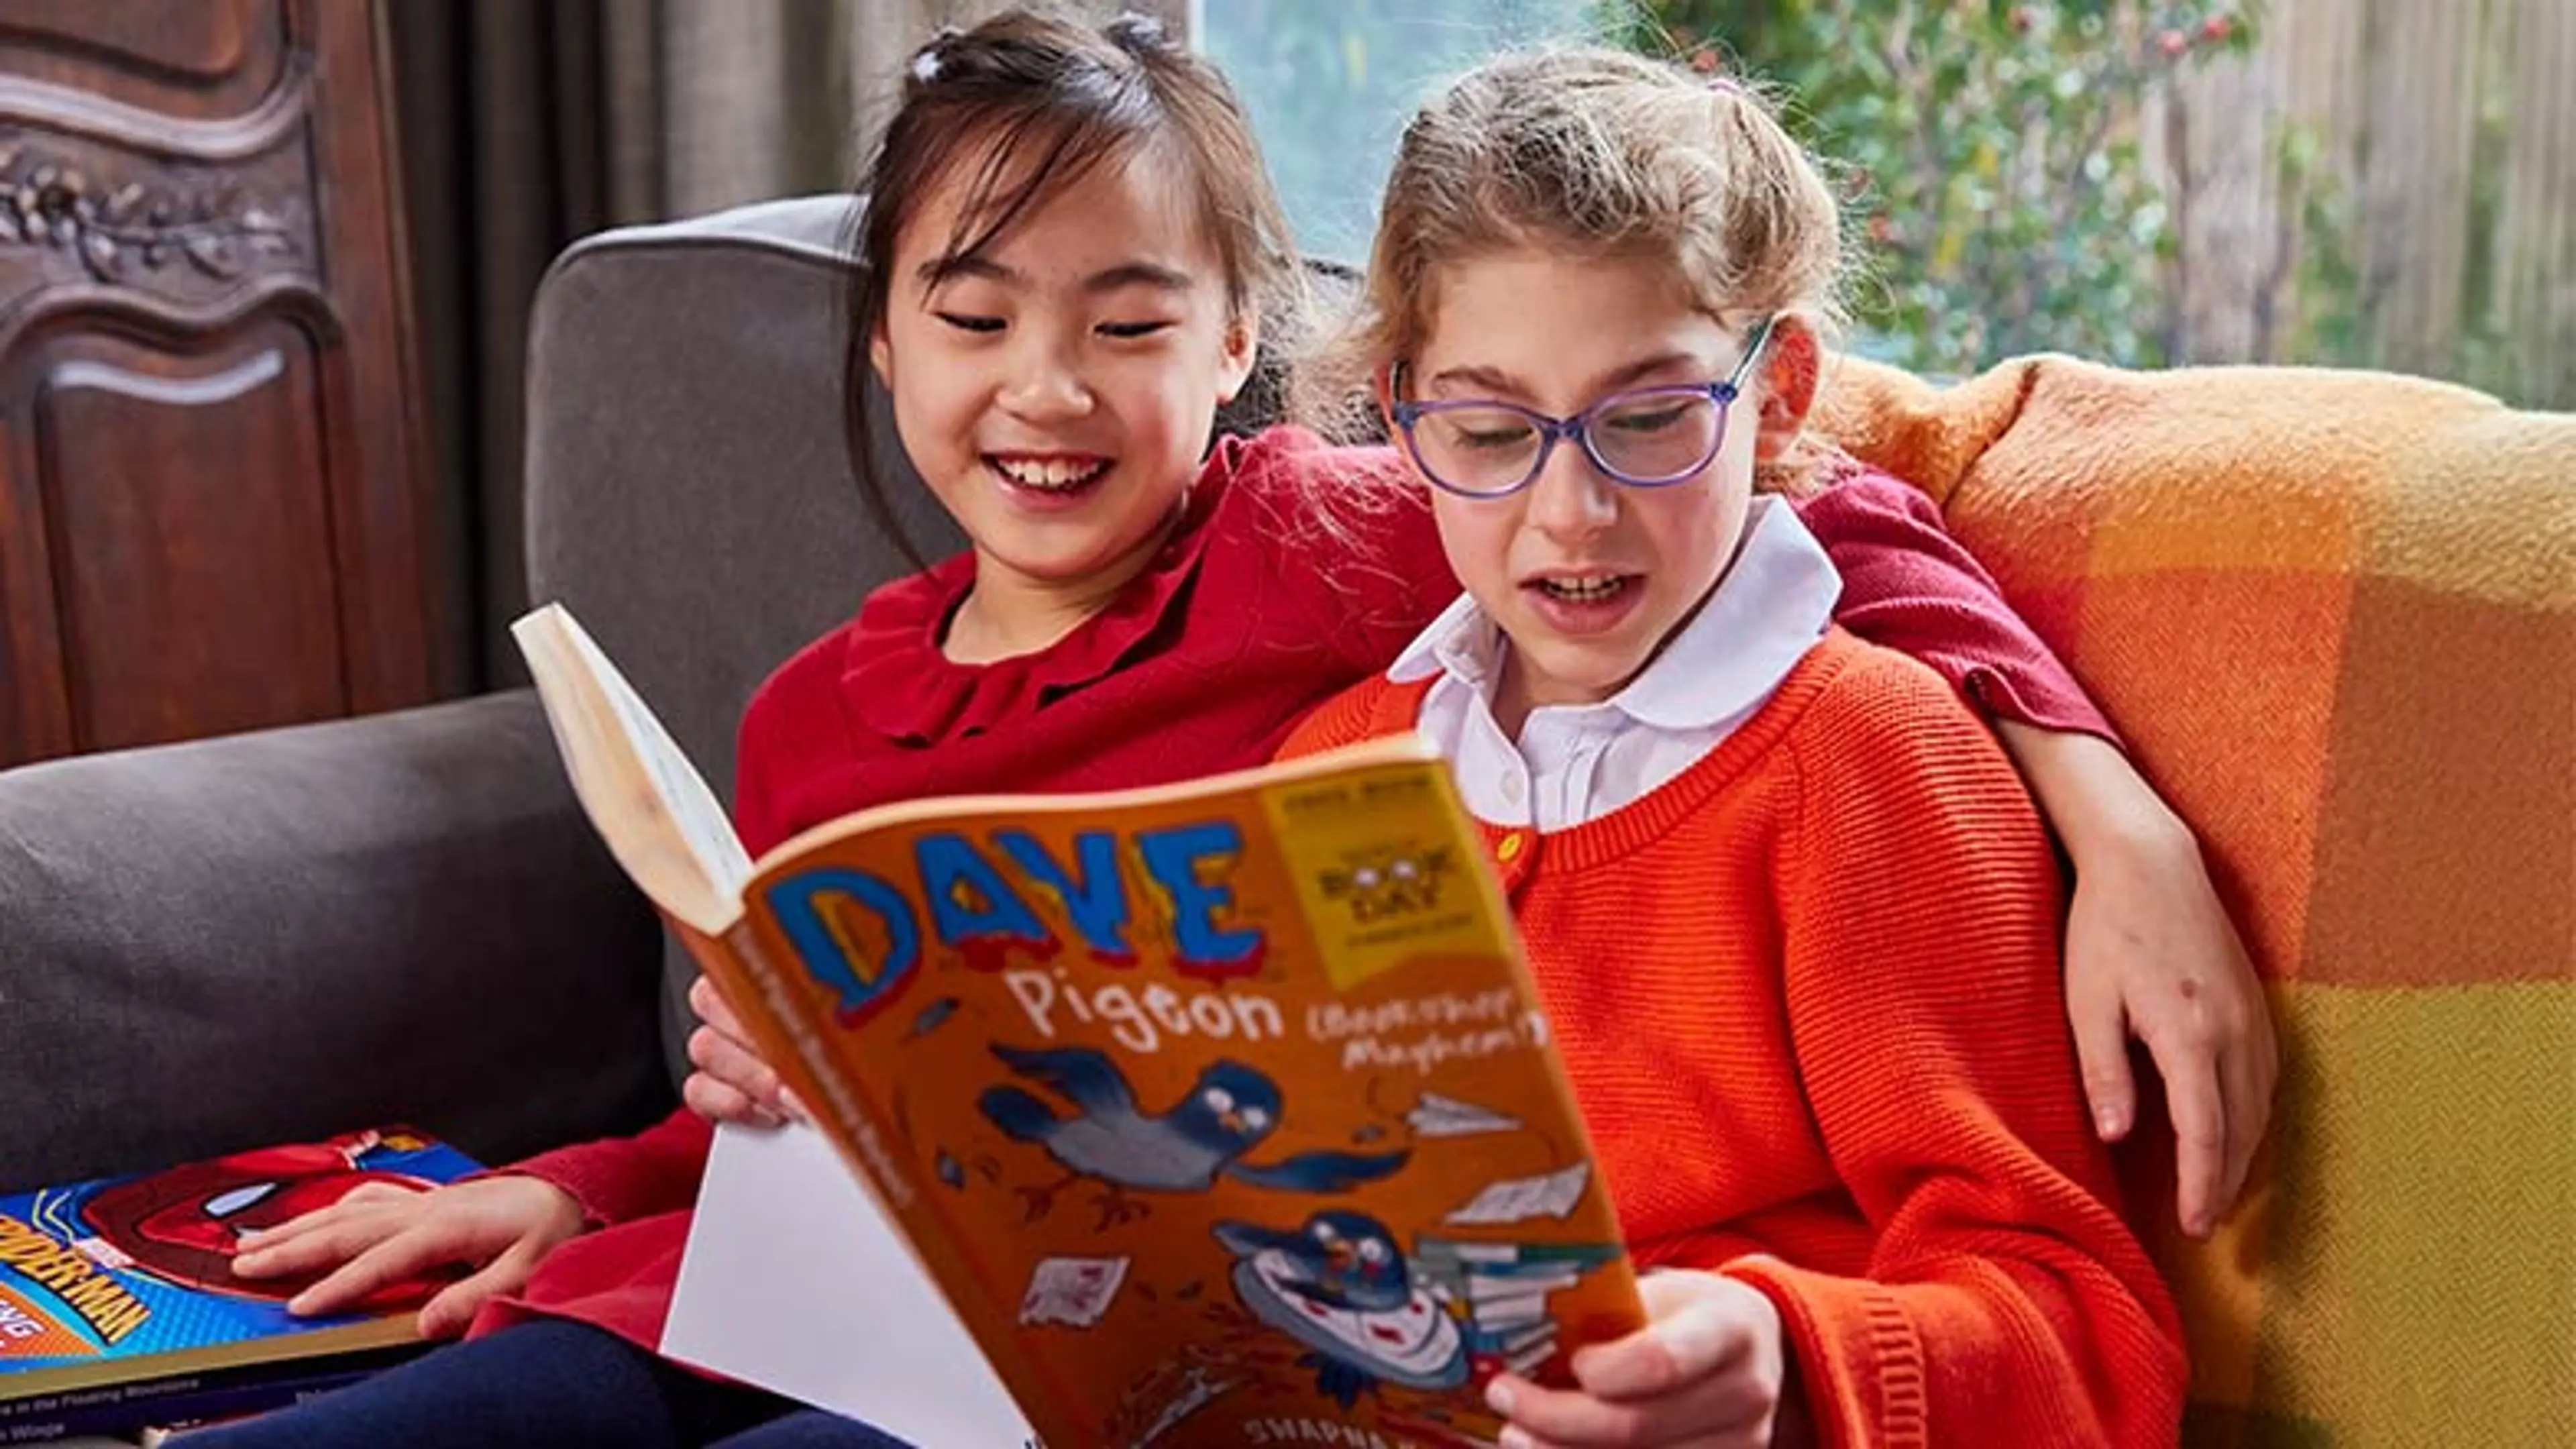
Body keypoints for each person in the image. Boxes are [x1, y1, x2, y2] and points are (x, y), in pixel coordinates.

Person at [206, 12, 2257, 1446]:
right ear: (885, 326)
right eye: (977, 312)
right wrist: (619, 1164)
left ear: (1249, 352)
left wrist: (2105, 800)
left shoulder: (1377, 560)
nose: (1562, 507)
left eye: (1128, 321)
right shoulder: (1282, 731)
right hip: (885, 1315)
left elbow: (1834, 518)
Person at [1275, 46, 2187, 1446]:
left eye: (1647, 417)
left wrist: (1790, 1358)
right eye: (1487, 426)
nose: (1570, 511)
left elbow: (2083, 1331)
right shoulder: (1330, 768)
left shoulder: (1867, 759)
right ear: (1401, 413)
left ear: (1778, 391)